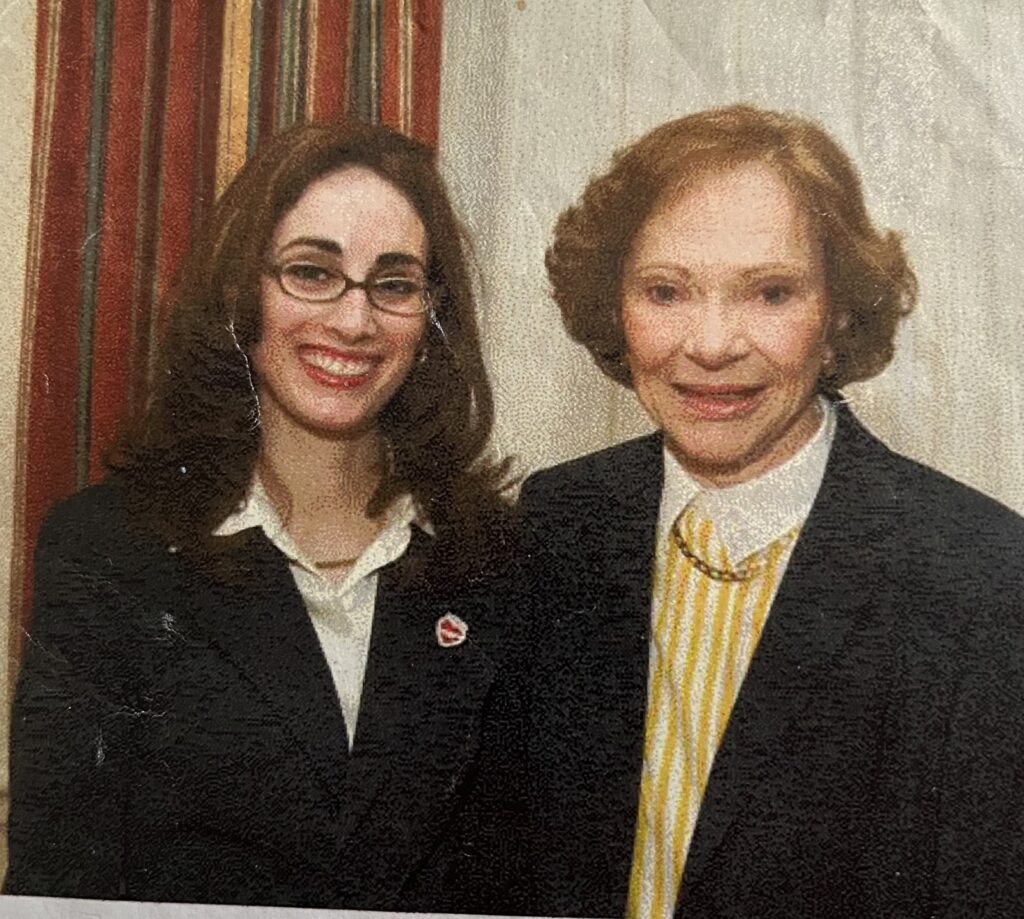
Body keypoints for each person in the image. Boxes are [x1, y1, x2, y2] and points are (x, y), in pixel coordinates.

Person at [516, 104, 1024, 917]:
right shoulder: (556, 523)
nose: (712, 343)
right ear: (614, 307)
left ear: (839, 316)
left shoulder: (982, 577)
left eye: (770, 292)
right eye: (666, 290)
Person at [5, 122, 512, 911]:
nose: (354, 321)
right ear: (243, 290)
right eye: (312, 272)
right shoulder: (106, 550)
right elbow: (58, 879)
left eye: (395, 283)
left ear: (432, 316)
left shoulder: (500, 557)